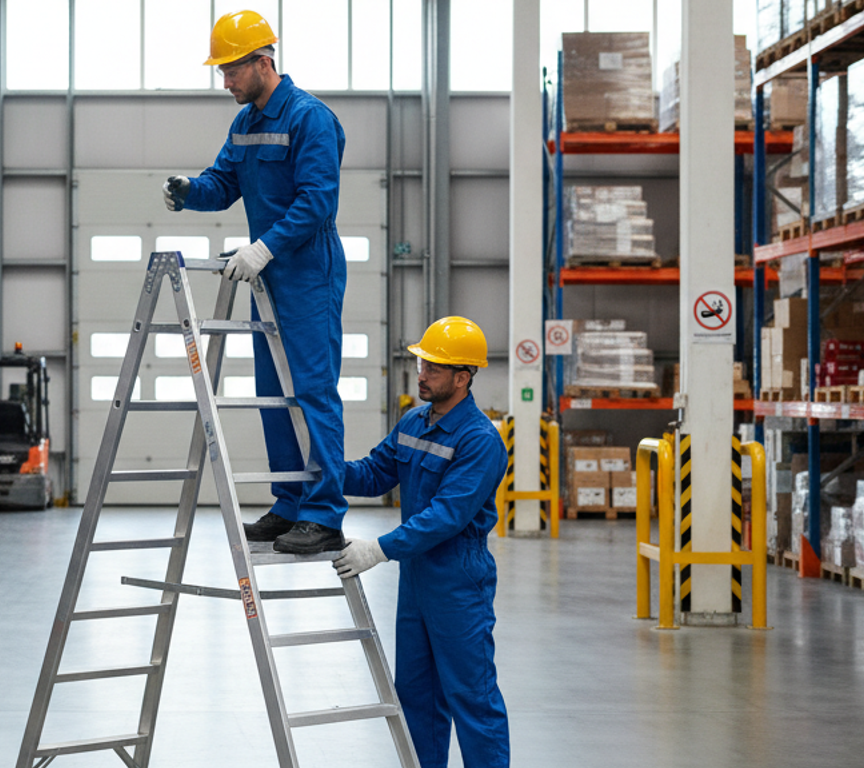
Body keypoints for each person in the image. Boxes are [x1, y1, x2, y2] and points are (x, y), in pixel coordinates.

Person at [162, 10, 349, 555]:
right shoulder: (244, 124)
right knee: (274, 396)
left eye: (230, 70)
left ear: (263, 61)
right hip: (266, 277)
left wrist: (264, 247)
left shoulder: (311, 118)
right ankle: (290, 503)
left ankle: (324, 513)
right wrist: (189, 190)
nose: (225, 81)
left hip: (308, 274)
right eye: (221, 71)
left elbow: (317, 200)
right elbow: (222, 183)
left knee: (312, 391)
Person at [332, 316, 511, 768]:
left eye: (433, 367)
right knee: (416, 694)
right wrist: (325, 471)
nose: (422, 373)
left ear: (463, 377)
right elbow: (375, 473)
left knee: (472, 695)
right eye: (422, 363)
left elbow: (447, 515)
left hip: (457, 579)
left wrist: (379, 549)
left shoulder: (480, 441)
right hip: (416, 580)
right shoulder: (415, 421)